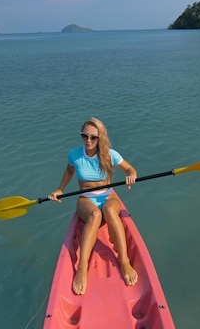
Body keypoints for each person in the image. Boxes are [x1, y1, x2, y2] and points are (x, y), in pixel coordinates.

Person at [48, 117, 138, 295]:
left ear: (100, 138)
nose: (88, 141)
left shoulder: (110, 154)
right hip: (86, 199)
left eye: (93, 137)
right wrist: (59, 189)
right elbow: (68, 172)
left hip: (108, 196)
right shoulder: (74, 155)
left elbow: (130, 169)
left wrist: (131, 175)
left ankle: (124, 261)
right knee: (95, 215)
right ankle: (82, 268)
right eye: (85, 136)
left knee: (111, 212)